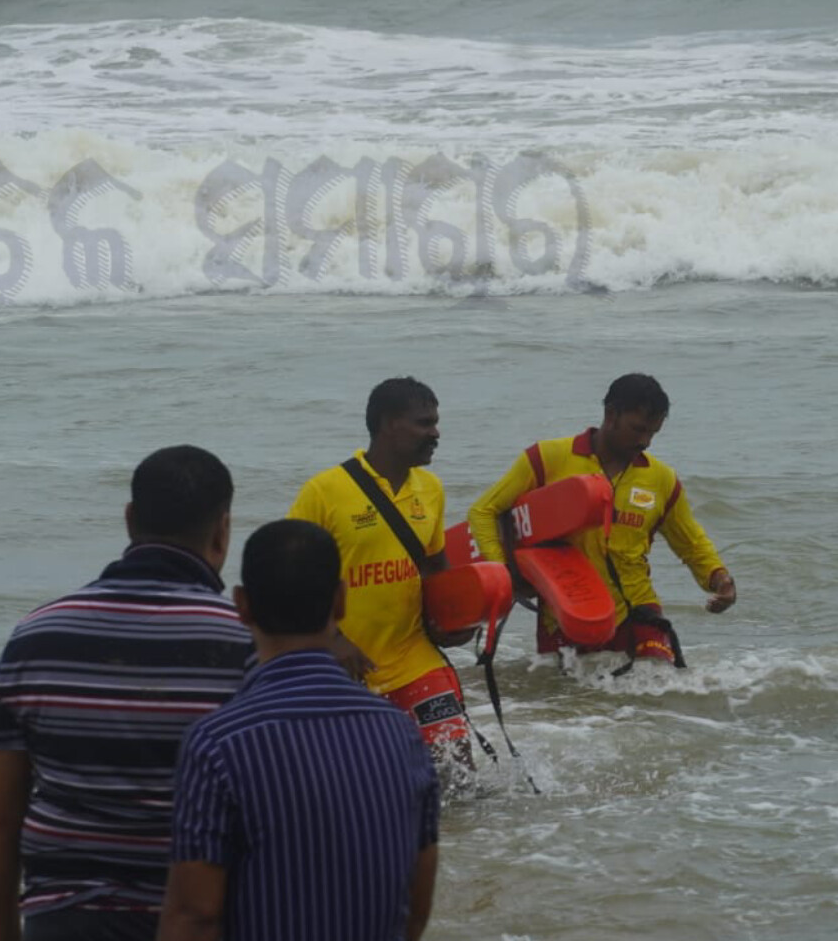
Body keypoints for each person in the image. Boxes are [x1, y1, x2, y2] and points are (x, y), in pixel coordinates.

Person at [0, 446, 253, 941]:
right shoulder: (246, 645)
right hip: (203, 916)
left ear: (129, 520)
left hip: (63, 918)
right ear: (222, 530)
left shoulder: (35, 638)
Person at [160, 520, 439, 941]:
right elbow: (416, 908)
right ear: (341, 602)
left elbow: (196, 915)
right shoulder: (402, 735)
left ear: (242, 606)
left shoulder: (217, 744)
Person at [467, 373, 735, 666]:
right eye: (638, 429)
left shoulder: (661, 479)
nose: (645, 441)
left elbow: (691, 543)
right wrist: (503, 578)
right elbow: (484, 511)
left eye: (653, 433)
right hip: (564, 615)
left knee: (660, 687)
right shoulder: (548, 458)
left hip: (637, 610)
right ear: (611, 414)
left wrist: (718, 579)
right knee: (570, 705)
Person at [286, 377, 475, 765]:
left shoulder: (431, 489)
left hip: (414, 658)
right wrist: (333, 639)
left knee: (458, 769)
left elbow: (434, 564)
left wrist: (455, 619)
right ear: (389, 424)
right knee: (360, 780)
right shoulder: (324, 492)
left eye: (435, 422)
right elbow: (290, 576)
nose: (435, 433)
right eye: (424, 423)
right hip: (343, 669)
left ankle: (463, 831)